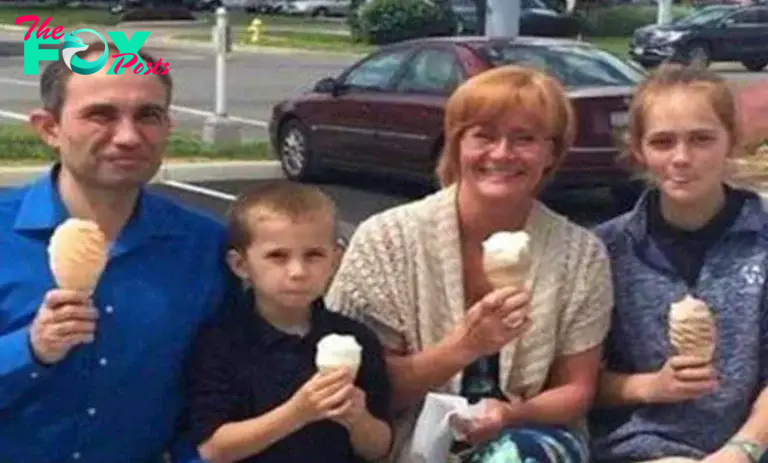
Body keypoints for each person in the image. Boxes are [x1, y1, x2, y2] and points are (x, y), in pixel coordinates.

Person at [325, 65, 614, 463]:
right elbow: (370, 388)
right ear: (456, 144)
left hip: (528, 432)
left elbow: (576, 390)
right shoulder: (387, 240)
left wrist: (511, 414)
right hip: (400, 434)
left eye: (524, 138)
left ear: (552, 152)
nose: (502, 153)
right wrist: (466, 345)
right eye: (484, 135)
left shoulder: (581, 254)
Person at [0, 42, 234, 463]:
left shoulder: (207, 247)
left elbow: (222, 386)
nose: (128, 137)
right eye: (100, 114)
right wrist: (29, 350)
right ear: (48, 128)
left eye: (148, 115)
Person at [588, 63, 768, 463]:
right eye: (663, 142)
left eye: (702, 139)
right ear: (638, 149)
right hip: (643, 445)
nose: (682, 158)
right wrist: (648, 386)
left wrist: (742, 449)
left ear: (732, 140)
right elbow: (577, 379)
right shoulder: (606, 249)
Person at [184, 180, 393, 463]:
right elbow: (213, 449)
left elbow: (379, 447)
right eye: (277, 256)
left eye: (314, 255)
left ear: (335, 261)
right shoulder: (221, 340)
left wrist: (358, 419)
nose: (297, 271)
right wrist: (298, 411)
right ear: (240, 265)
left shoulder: (357, 339)